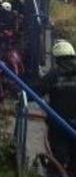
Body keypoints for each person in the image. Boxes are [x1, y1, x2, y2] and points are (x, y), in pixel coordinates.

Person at [35, 40, 76, 176]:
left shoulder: (54, 74)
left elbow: (37, 91)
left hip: (59, 124)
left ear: (57, 58)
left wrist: (21, 95)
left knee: (57, 159)